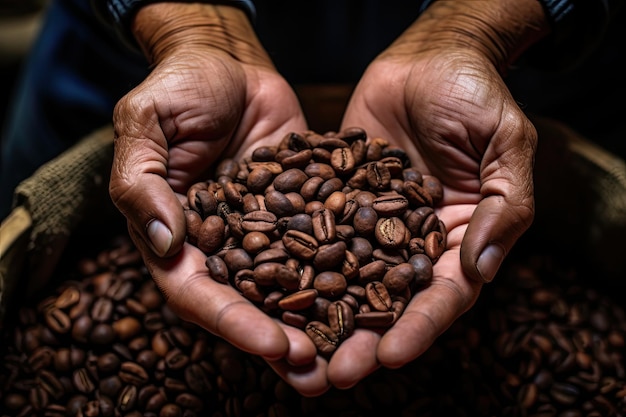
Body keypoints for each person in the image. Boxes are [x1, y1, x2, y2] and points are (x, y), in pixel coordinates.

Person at [1, 0, 623, 397]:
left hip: (535, 64)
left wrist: (475, 25)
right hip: (129, 52)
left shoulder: (353, 226)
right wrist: (192, 24)